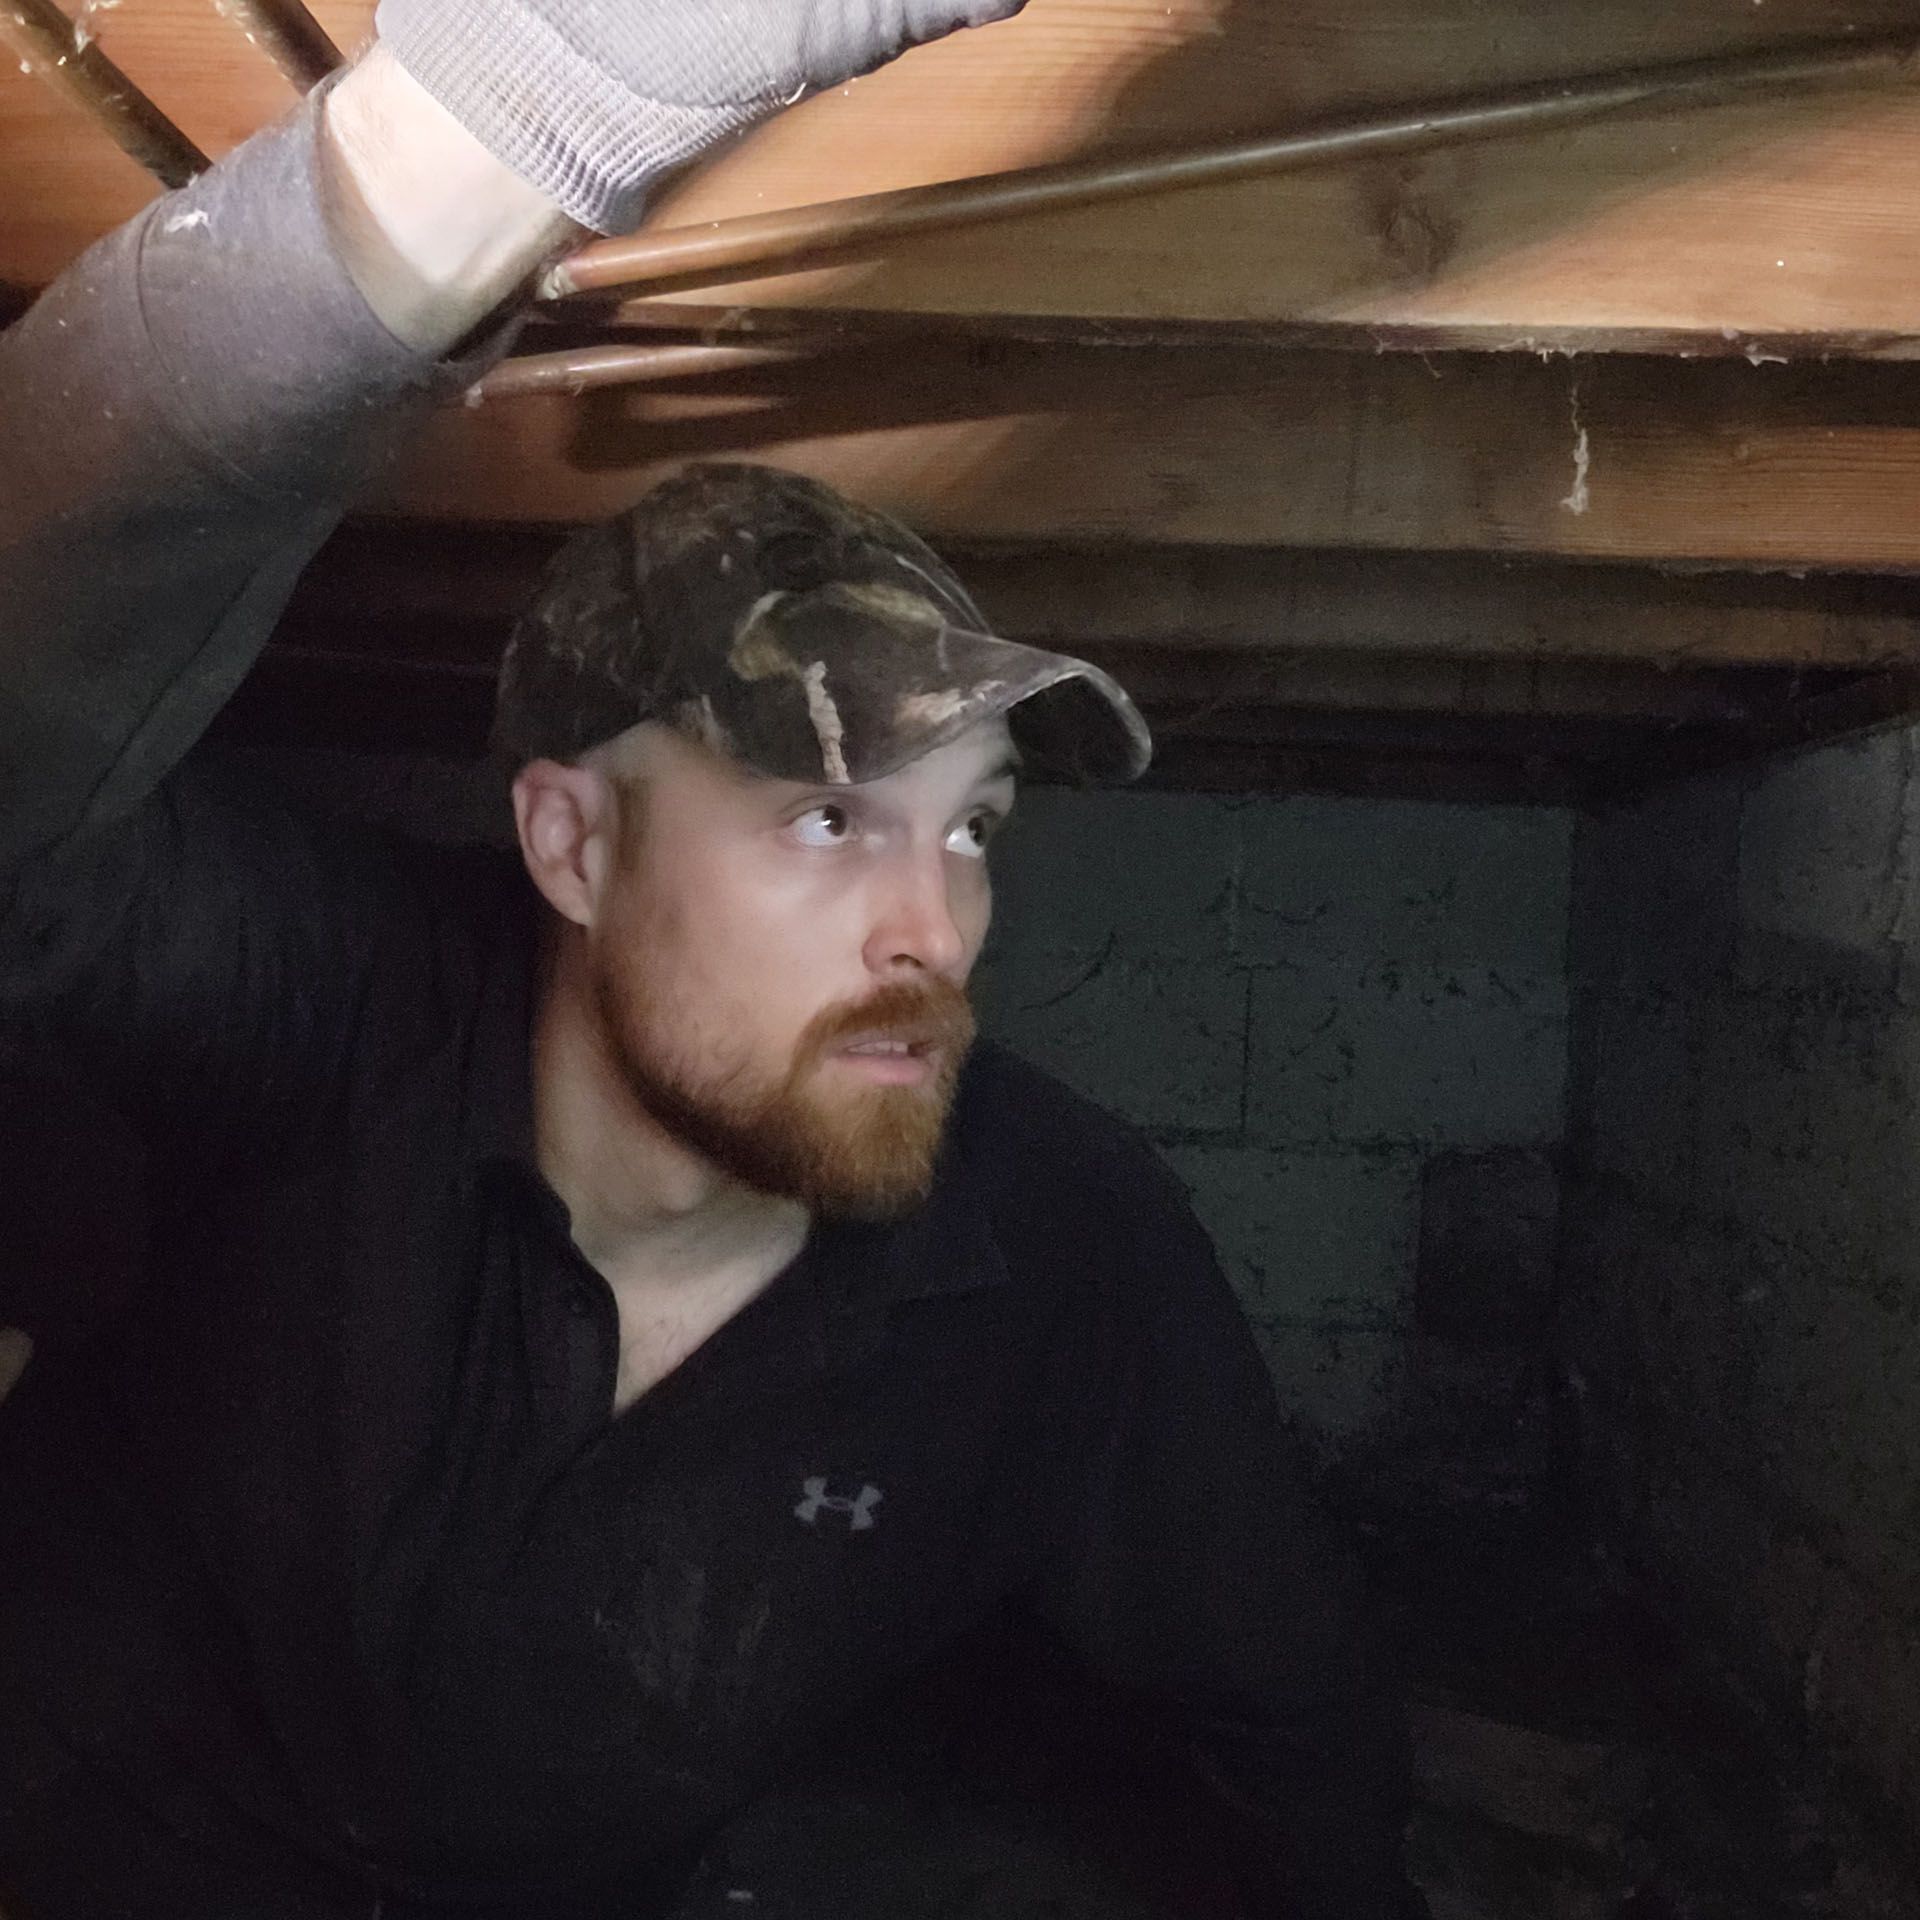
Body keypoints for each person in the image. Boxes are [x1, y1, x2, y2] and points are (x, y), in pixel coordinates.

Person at [0, 4, 1421, 1915]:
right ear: (572, 845)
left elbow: (1288, 1731)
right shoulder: (322, 1002)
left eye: (973, 826)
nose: (934, 927)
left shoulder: (1056, 1246)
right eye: (829, 818)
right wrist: (486, 131)